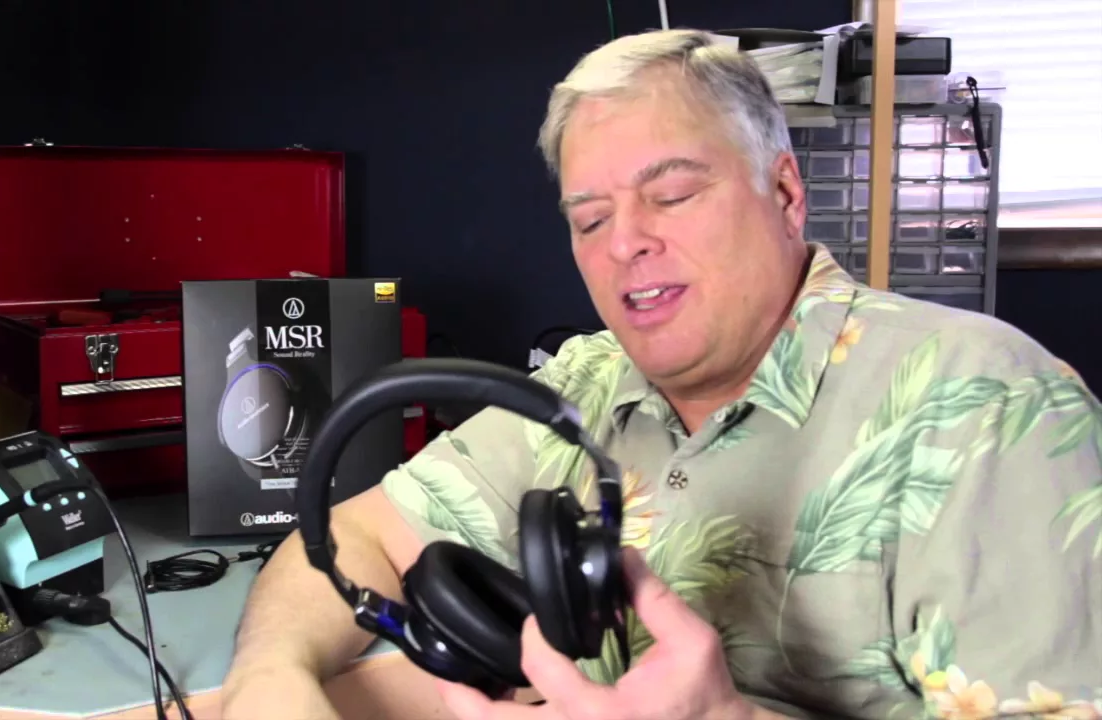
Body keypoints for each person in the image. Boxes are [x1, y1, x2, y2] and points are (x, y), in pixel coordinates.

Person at [220, 28, 1102, 720]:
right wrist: (269, 680)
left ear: (785, 193)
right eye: (590, 219)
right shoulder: (582, 385)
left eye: (672, 195)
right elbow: (352, 537)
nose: (626, 242)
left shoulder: (990, 405)